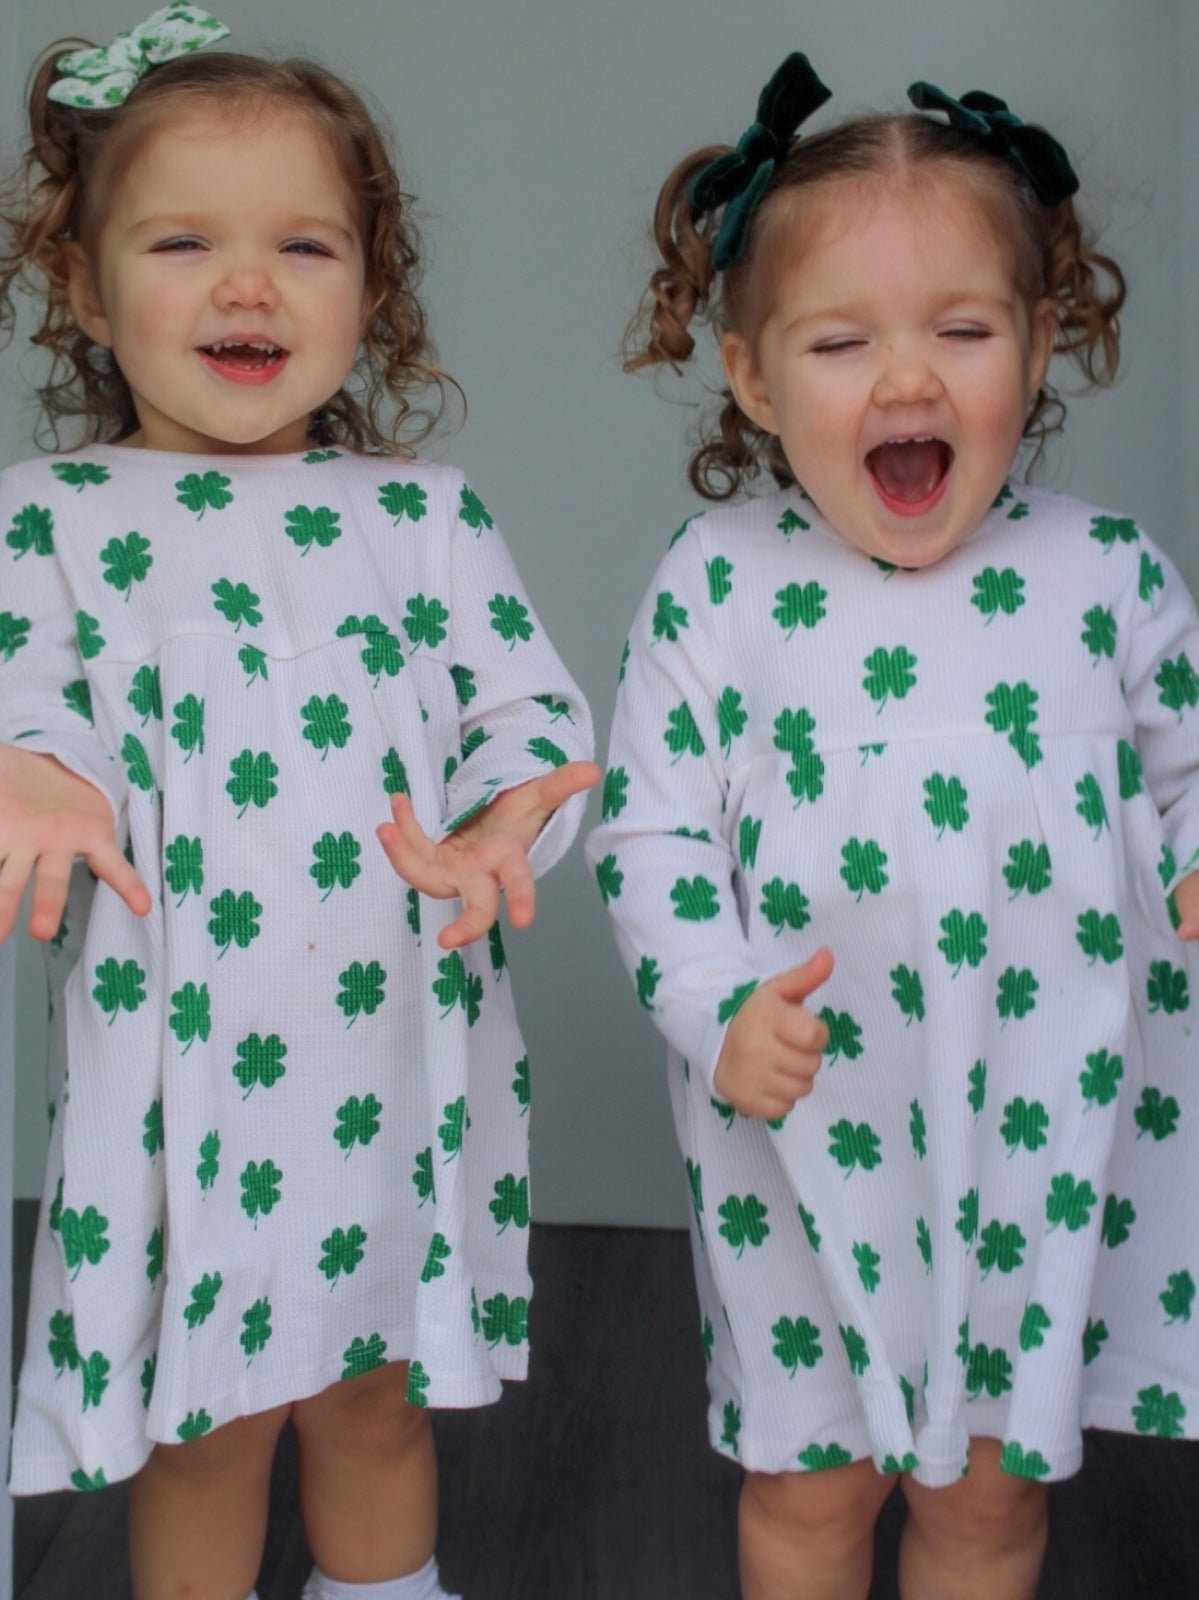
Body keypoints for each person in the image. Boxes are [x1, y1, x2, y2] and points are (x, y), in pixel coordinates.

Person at [0, 8, 598, 1600]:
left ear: (371, 290)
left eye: (306, 246)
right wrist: (36, 774)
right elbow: (21, 694)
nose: (248, 285)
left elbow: (531, 713)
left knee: (376, 1388)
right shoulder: (48, 520)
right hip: (179, 1067)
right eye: (184, 240)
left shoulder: (421, 515)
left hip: (396, 1053)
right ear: (82, 283)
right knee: (204, 1427)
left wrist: (499, 827)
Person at [587, 50, 1199, 1600]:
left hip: (1042, 1132)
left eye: (965, 330)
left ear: (1043, 342)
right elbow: (647, 840)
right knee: (812, 1496)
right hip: (806, 1135)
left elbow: (1190, 773)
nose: (908, 381)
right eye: (843, 340)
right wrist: (712, 1002)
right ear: (752, 376)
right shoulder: (719, 586)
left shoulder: (1108, 572)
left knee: (990, 1504)